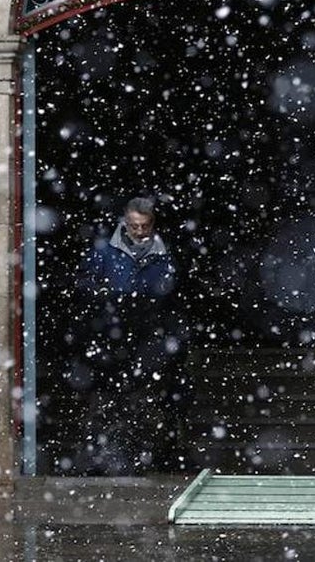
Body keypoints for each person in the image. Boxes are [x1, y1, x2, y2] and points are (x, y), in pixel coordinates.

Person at [71, 197, 188, 474]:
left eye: (144, 226)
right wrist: (103, 297)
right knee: (107, 402)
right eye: (134, 226)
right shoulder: (104, 251)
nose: (138, 231)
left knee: (146, 402)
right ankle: (101, 458)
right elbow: (83, 283)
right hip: (111, 335)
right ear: (125, 222)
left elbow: (176, 295)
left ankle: (146, 458)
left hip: (148, 337)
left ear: (152, 224)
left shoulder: (165, 255)